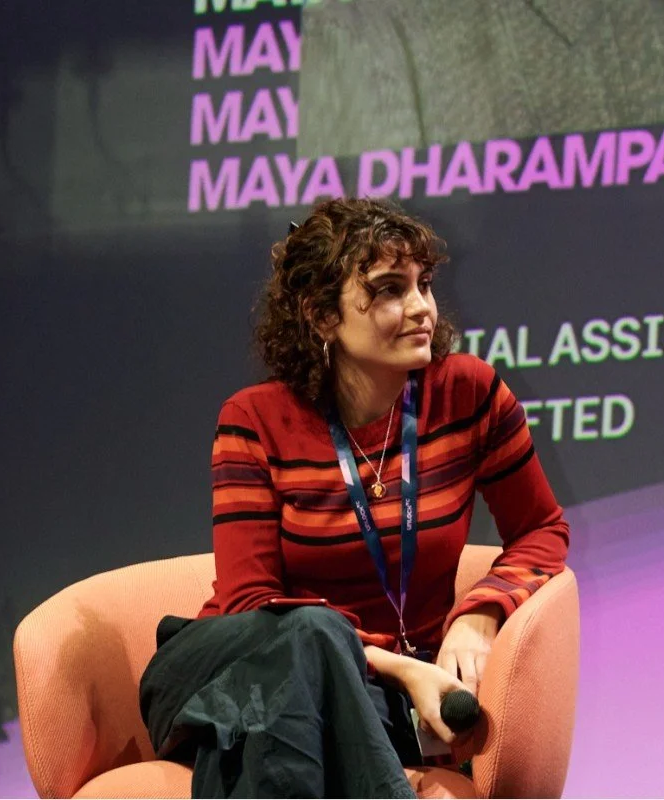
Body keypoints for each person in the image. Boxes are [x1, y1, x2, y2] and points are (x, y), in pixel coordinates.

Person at [139, 197, 570, 798]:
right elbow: (251, 603)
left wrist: (481, 613)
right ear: (322, 317)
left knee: (283, 725)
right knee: (311, 634)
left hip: (351, 702)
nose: (421, 307)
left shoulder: (469, 395)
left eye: (423, 284)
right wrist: (401, 667)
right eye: (390, 289)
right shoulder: (254, 420)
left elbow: (541, 530)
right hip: (232, 667)